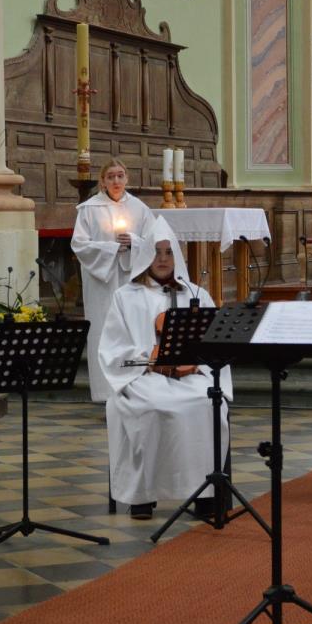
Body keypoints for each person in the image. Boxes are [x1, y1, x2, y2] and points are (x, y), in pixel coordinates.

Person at [99, 217, 230, 520]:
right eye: (156, 252)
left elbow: (215, 342)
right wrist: (148, 360)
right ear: (145, 255)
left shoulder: (196, 295)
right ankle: (143, 495)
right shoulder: (125, 296)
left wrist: (198, 366)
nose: (162, 259)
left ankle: (205, 493)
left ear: (177, 257)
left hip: (190, 375)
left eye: (169, 252)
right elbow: (113, 347)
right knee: (152, 407)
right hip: (144, 376)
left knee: (208, 404)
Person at [71, 160, 153, 402]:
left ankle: (134, 388)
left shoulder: (140, 208)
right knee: (104, 331)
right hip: (102, 282)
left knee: (131, 331)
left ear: (127, 178)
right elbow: (79, 245)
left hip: (131, 279)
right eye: (111, 176)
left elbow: (152, 241)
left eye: (120, 175)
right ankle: (106, 393)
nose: (116, 181)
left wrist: (134, 242)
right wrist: (111, 248)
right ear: (103, 181)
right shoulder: (89, 209)